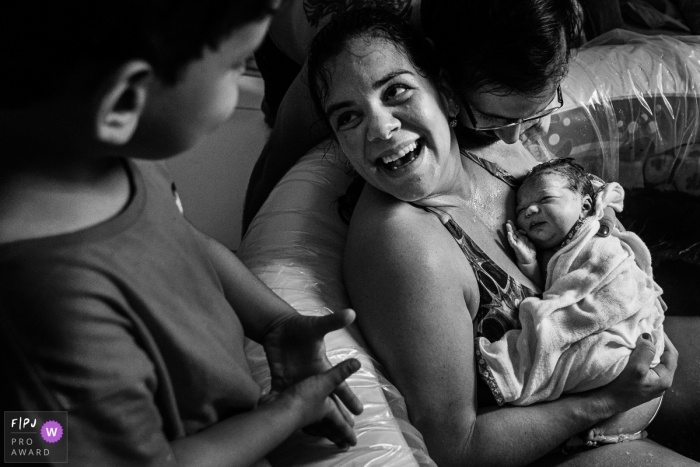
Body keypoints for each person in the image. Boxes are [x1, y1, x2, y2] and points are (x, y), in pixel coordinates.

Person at [307, 8, 700, 466]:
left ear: (448, 95)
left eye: (396, 91)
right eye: (348, 117)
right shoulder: (404, 243)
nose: (380, 128)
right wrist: (607, 401)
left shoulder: (496, 147)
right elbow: (455, 444)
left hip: (622, 351)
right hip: (563, 444)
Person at [0, 2, 364, 466]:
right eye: (237, 65)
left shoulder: (99, 153)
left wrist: (275, 322)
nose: (242, 78)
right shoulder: (47, 307)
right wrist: (289, 412)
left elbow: (184, 239)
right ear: (125, 101)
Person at [242, 0, 585, 232]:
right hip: (282, 29)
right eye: (493, 118)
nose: (512, 138)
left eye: (535, 111)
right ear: (444, 80)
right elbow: (277, 158)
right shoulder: (356, 52)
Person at [477, 158, 665, 445]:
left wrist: (608, 215)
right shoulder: (552, 251)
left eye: (545, 199)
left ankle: (514, 367)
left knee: (553, 327)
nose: (529, 210)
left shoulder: (596, 231)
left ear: (586, 206)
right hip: (616, 370)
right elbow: (556, 288)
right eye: (521, 209)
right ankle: (607, 428)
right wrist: (528, 265)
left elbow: (610, 192)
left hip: (621, 300)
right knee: (580, 356)